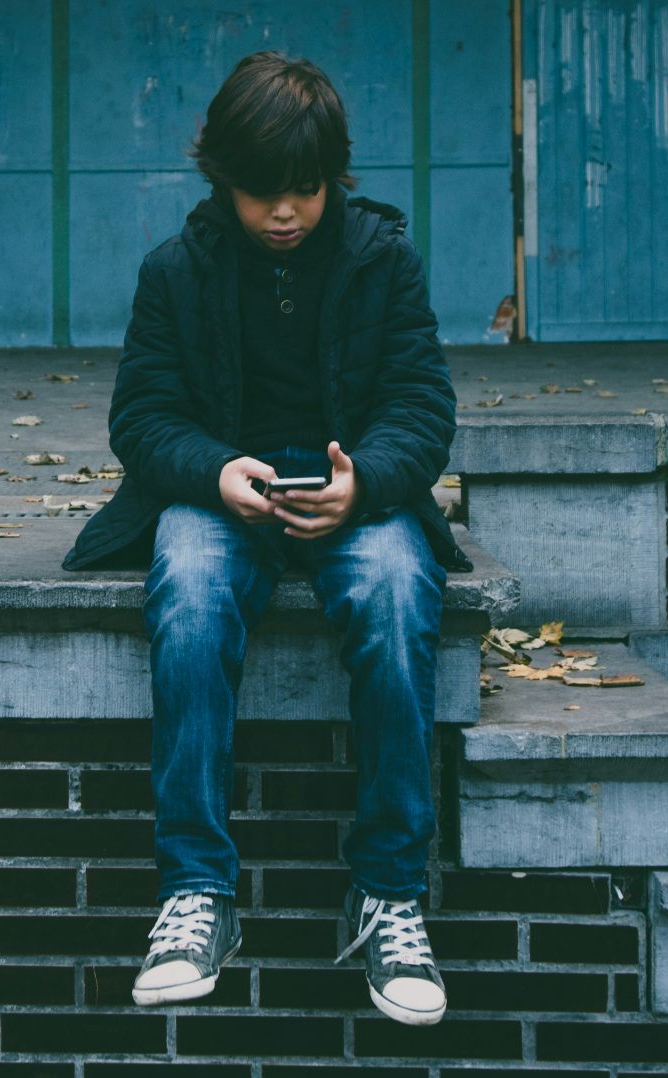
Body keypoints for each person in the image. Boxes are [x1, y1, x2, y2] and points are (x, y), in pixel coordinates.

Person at [60, 50, 471, 1027]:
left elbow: (423, 403)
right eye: (261, 193)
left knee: (398, 594)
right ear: (221, 177)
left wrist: (363, 481)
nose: (284, 213)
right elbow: (143, 413)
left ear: (333, 179)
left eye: (304, 190)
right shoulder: (176, 271)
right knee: (190, 592)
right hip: (221, 491)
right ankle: (195, 893)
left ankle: (389, 895)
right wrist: (212, 471)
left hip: (355, 494)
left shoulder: (383, 260)